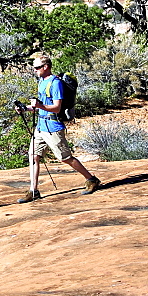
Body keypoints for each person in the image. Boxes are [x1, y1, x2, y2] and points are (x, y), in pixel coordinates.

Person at [18, 56, 100, 203]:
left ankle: (91, 179)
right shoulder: (42, 82)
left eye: (37, 68)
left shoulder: (55, 84)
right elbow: (41, 106)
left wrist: (38, 106)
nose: (35, 70)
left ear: (46, 67)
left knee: (65, 158)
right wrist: (25, 108)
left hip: (53, 128)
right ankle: (33, 190)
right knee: (33, 156)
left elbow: (56, 108)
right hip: (41, 127)